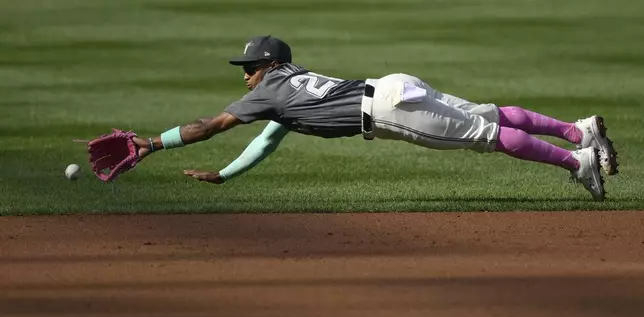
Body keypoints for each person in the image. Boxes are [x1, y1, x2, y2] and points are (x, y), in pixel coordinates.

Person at [133, 35, 618, 201]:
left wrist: (153, 144)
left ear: (273, 66)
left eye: (252, 67)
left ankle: (578, 163)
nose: (246, 76)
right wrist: (225, 173)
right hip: (395, 85)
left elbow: (208, 127)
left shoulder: (271, 91)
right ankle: (579, 131)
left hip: (386, 109)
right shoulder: (289, 88)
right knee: (489, 113)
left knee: (486, 134)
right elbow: (266, 142)